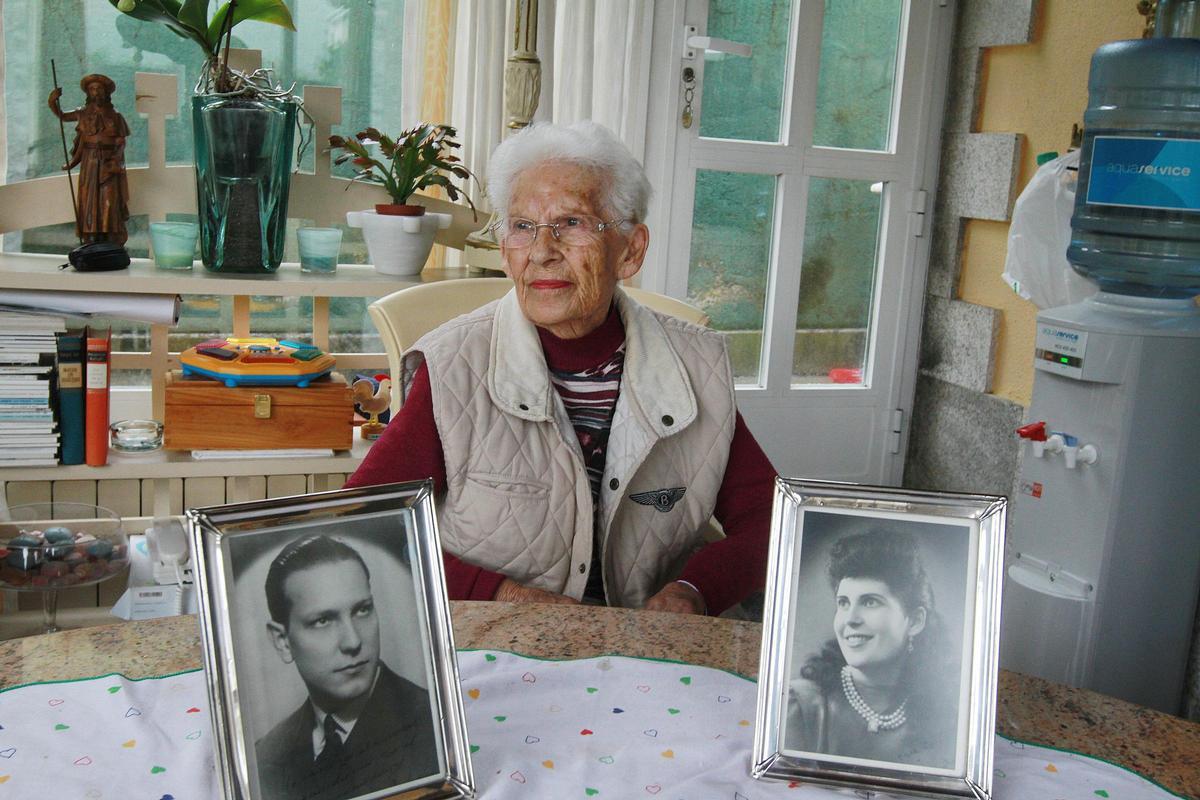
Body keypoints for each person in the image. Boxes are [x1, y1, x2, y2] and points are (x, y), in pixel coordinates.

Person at [345, 120, 777, 616]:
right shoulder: (454, 366)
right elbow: (365, 523)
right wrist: (506, 598)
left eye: (571, 224)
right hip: (495, 639)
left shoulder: (695, 366)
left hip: (644, 643)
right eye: (523, 227)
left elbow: (770, 520)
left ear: (630, 251)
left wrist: (693, 592)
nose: (542, 252)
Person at [255, 535, 439, 800]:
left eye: (362, 610)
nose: (353, 641)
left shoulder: (434, 729)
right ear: (282, 641)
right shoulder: (265, 755)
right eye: (322, 621)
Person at [786, 530, 958, 768]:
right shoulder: (804, 706)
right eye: (843, 603)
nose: (850, 619)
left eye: (870, 602)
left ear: (915, 621)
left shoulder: (944, 713)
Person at [47, 74, 131, 246]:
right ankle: (91, 236)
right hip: (90, 162)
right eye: (92, 89)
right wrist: (52, 102)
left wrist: (115, 161)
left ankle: (110, 235)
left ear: (106, 92)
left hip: (109, 163)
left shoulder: (116, 116)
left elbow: (121, 141)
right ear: (88, 93)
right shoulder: (82, 114)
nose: (96, 92)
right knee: (90, 198)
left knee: (109, 199)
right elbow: (63, 116)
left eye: (99, 89)